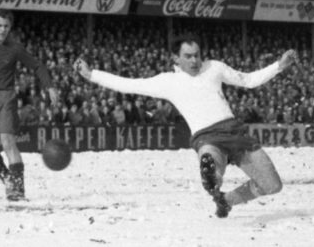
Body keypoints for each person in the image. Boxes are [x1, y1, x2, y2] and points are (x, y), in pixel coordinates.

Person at [75, 37, 297, 218]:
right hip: (207, 138)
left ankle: (226, 200)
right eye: (188, 56)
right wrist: (91, 74)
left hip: (235, 133)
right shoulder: (167, 81)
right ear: (176, 58)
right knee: (210, 161)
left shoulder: (214, 68)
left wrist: (279, 66)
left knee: (272, 185)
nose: (194, 60)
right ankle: (211, 176)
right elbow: (128, 84)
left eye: (197, 55)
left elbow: (247, 80)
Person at [0, 9, 59, 201]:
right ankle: (8, 179)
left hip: (6, 97)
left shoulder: (15, 48)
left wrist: (50, 87)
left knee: (7, 141)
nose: (2, 29)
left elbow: (37, 66)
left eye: (6, 26)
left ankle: (18, 190)